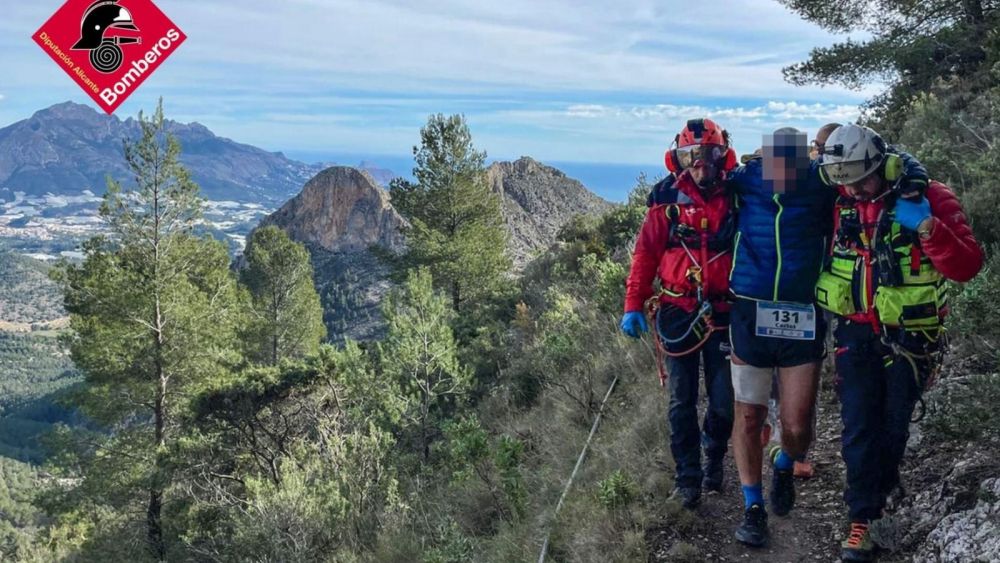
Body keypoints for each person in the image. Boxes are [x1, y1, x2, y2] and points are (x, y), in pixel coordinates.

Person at [816, 124, 983, 562]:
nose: (852, 188)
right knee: (858, 425)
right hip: (855, 331)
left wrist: (928, 227)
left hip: (912, 338)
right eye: (843, 180)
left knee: (893, 425)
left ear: (878, 165)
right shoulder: (839, 199)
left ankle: (882, 490)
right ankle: (862, 519)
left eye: (859, 178)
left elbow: (967, 265)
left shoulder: (930, 197)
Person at [621, 118, 739, 509]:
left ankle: (714, 453)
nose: (701, 163)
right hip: (677, 310)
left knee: (723, 401)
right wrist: (633, 304)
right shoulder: (665, 200)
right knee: (681, 401)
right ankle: (687, 477)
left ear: (723, 155)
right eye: (693, 155)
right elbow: (646, 255)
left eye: (710, 154)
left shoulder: (738, 194)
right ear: (680, 158)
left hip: (723, 312)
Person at [725, 127, 835, 547]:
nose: (781, 176)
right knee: (749, 416)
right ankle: (753, 506)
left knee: (797, 422)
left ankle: (785, 462)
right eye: (774, 166)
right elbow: (695, 185)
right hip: (748, 312)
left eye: (790, 167)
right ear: (764, 162)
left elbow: (888, 167)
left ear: (804, 162)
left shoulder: (821, 183)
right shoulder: (746, 179)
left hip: (802, 316)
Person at [761, 122, 843, 480]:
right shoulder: (804, 178)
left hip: (825, 294)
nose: (821, 153)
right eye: (818, 146)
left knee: (810, 374)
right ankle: (777, 433)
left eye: (828, 148)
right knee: (777, 372)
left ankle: (797, 448)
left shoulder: (838, 184)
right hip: (788, 292)